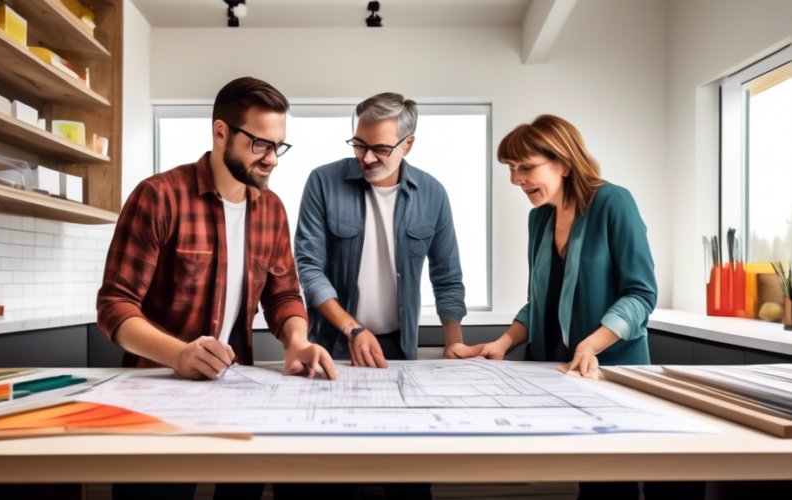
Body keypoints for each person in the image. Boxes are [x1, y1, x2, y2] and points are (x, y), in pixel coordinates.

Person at [97, 77, 337, 500]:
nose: (272, 160)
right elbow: (115, 307)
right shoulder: (158, 197)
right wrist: (179, 354)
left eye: (278, 146)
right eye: (260, 144)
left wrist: (297, 341)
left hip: (235, 393)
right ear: (221, 132)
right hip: (157, 395)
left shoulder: (272, 209)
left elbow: (283, 295)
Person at [472, 115, 703, 500]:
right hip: (559, 376)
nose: (516, 180)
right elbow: (540, 301)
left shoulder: (613, 202)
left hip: (611, 373)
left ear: (563, 162)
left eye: (526, 168)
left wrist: (590, 344)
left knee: (612, 482)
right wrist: (503, 342)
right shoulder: (539, 217)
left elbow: (641, 294)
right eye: (512, 169)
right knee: (592, 480)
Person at [293, 92, 480, 500]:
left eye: (380, 148)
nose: (367, 157)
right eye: (359, 144)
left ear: (408, 143)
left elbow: (447, 276)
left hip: (396, 351)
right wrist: (352, 327)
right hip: (331, 344)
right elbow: (308, 268)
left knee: (406, 474)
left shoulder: (433, 194)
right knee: (321, 470)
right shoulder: (323, 182)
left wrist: (454, 345)